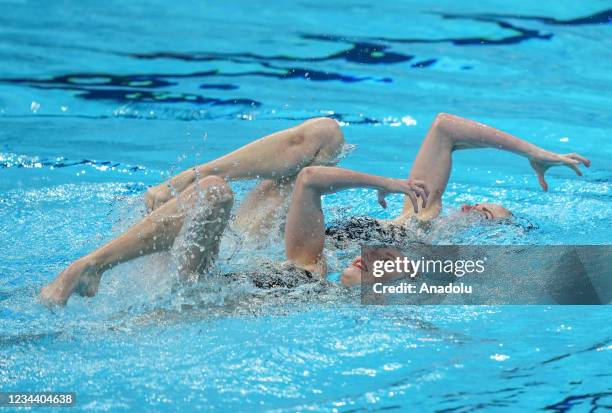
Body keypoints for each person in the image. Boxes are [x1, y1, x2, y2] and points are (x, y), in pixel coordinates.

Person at [39, 114, 590, 305]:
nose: (475, 204)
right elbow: (446, 125)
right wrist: (533, 152)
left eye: (487, 214)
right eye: (482, 201)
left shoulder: (425, 251)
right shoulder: (420, 206)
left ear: (478, 235)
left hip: (261, 259)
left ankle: (154, 223)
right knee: (324, 134)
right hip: (271, 244)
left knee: (217, 203)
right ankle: (173, 188)